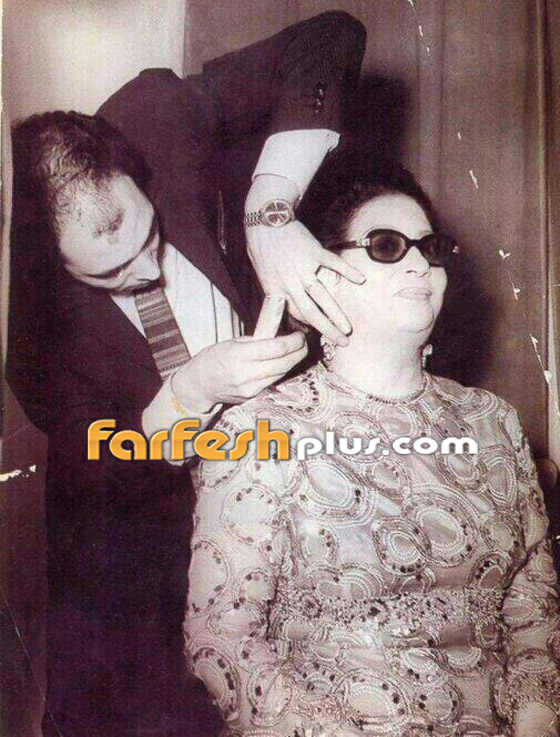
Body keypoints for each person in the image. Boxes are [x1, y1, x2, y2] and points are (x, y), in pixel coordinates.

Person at [7, 13, 367, 737]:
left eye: (148, 234)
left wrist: (271, 212)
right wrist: (191, 392)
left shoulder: (155, 116)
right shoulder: (31, 327)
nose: (148, 270)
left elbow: (329, 37)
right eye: (110, 273)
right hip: (137, 537)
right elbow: (100, 460)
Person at [184, 151, 560, 737]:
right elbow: (221, 642)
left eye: (432, 249)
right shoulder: (259, 430)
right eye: (387, 246)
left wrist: (537, 723)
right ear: (321, 274)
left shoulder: (493, 422)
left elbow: (533, 611)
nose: (420, 265)